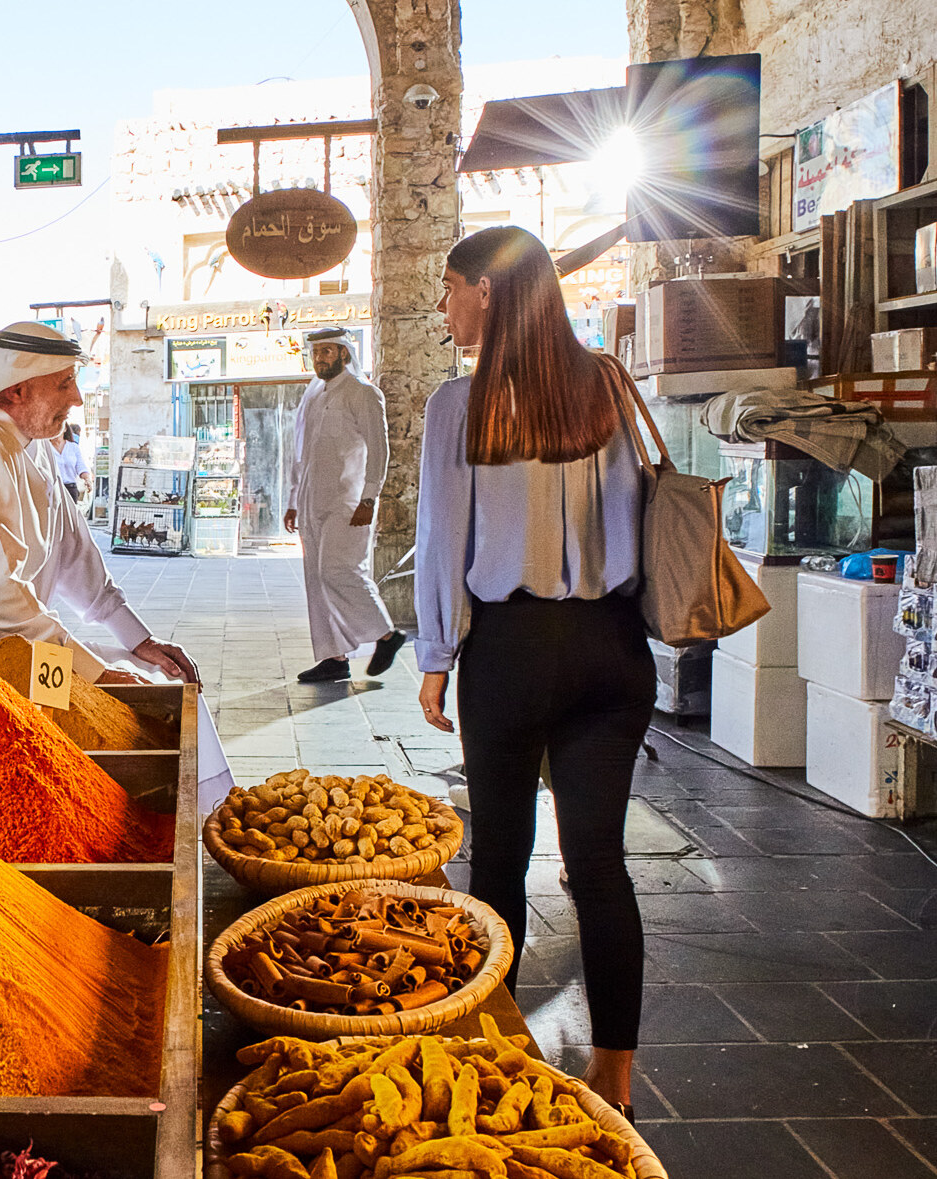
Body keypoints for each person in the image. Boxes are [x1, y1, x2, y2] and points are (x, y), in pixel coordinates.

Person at [414, 225, 653, 1119]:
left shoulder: (459, 405)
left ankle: (496, 1062)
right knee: (599, 867)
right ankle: (615, 1081)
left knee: (502, 864)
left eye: (449, 290)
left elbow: (443, 541)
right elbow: (632, 513)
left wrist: (435, 654)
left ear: (486, 289)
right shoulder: (606, 386)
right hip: (610, 646)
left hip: (510, 653)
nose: (443, 309)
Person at [0, 322, 199, 686]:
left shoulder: (33, 442)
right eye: (64, 384)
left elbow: (72, 553)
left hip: (1, 652)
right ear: (17, 390)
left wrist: (137, 638)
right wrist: (94, 674)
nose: (77, 398)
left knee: (165, 680)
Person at [282, 327, 407, 683]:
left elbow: (379, 451)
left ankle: (385, 635)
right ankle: (333, 657)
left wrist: (370, 498)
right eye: (316, 352)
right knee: (315, 580)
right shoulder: (313, 393)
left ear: (345, 354)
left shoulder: (363, 394)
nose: (320, 358)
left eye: (328, 351)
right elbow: (301, 454)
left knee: (337, 570)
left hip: (349, 502)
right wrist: (294, 500)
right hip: (311, 500)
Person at [51, 421, 92, 502]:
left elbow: (80, 466)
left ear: (65, 429)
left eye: (59, 426)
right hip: (52, 490)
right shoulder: (46, 448)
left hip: (70, 489)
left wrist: (87, 479)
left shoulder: (73, 447)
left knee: (70, 514)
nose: (56, 430)